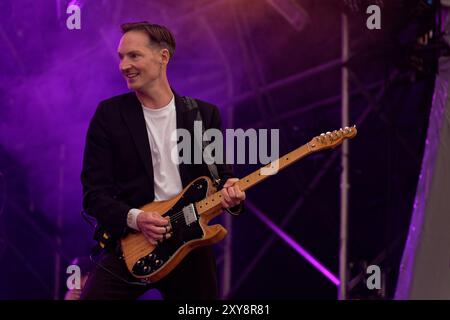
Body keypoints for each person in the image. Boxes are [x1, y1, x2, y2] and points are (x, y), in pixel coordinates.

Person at [80, 22, 245, 300]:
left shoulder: (202, 115)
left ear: (163, 57)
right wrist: (137, 218)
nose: (124, 66)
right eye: (121, 57)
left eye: (134, 55)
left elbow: (220, 178)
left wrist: (232, 194)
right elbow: (94, 194)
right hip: (130, 243)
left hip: (189, 245)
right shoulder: (109, 115)